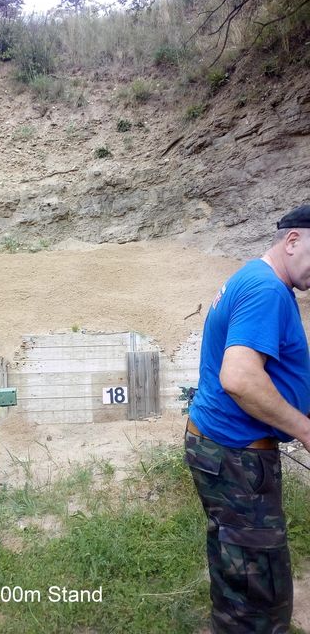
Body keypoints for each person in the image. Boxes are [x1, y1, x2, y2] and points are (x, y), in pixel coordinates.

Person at [186, 203, 310, 634]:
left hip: (220, 448)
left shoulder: (251, 277)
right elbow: (239, 377)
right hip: (238, 457)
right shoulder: (267, 290)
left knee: (235, 560)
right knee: (261, 591)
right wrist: (305, 429)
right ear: (292, 241)